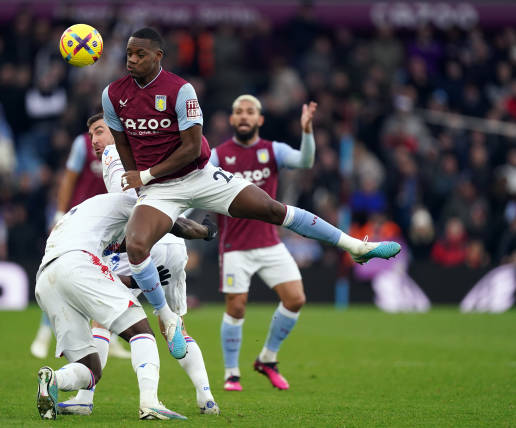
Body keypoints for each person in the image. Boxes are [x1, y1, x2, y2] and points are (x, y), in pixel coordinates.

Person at [102, 27, 401, 360]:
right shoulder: (113, 94)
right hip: (160, 189)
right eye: (129, 54)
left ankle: (356, 246)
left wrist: (144, 173)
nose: (131, 60)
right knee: (137, 244)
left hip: (197, 175)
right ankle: (167, 317)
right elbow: (124, 143)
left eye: (139, 54)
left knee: (273, 209)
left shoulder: (180, 90)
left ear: (158, 56)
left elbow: (189, 149)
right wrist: (142, 184)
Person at [56, 113, 219, 416]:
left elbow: (134, 203)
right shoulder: (144, 149)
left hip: (146, 245)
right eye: (91, 134)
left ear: (116, 131)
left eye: (100, 131)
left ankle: (86, 398)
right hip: (173, 246)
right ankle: (206, 397)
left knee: (102, 319)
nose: (95, 140)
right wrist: (200, 230)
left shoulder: (112, 154)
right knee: (175, 325)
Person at [35, 190, 211, 421]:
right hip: (78, 263)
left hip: (47, 279)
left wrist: (134, 280)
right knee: (141, 331)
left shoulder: (86, 215)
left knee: (90, 369)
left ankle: (54, 380)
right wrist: (207, 231)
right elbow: (175, 225)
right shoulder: (134, 202)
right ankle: (150, 403)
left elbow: (101, 265)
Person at [209, 94, 315, 391]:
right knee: (237, 307)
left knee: (296, 299)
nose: (244, 116)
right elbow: (198, 185)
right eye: (239, 111)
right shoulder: (219, 155)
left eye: (250, 112)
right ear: (232, 120)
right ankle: (232, 373)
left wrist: (306, 131)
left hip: (269, 242)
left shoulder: (273, 151)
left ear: (260, 120)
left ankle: (267, 358)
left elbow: (305, 161)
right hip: (234, 246)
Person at [30, 122, 128, 360]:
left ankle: (107, 336)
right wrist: (59, 215)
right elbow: (68, 180)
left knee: (110, 272)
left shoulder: (126, 146)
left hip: (110, 223)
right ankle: (44, 333)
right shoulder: (82, 145)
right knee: (65, 273)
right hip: (81, 220)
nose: (96, 136)